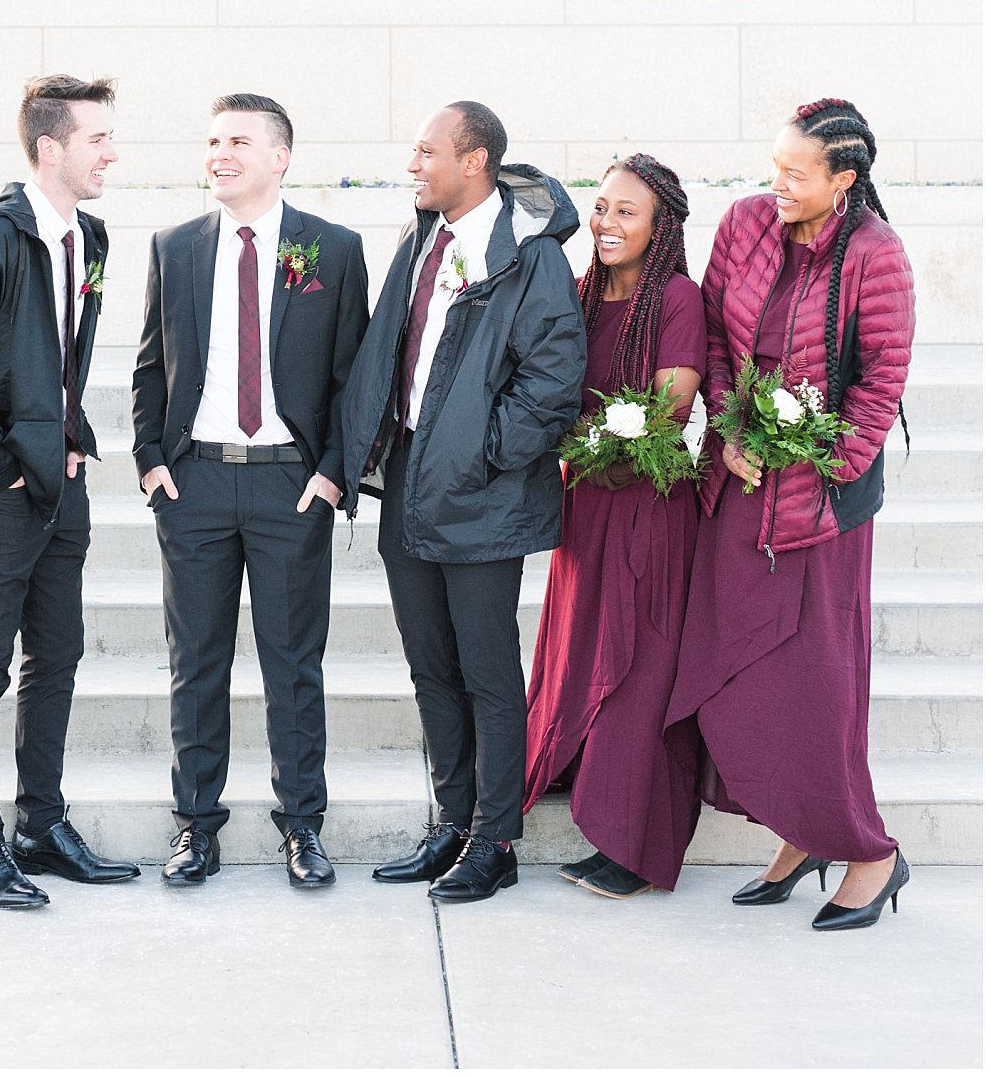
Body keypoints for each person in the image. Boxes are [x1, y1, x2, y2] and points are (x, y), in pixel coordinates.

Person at [665, 98, 916, 931]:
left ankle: (868, 852)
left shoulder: (875, 257)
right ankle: (799, 834)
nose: (775, 184)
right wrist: (731, 434)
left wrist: (816, 462)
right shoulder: (744, 224)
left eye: (794, 174)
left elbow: (879, 386)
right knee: (739, 673)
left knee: (816, 684)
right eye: (772, 166)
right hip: (737, 488)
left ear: (842, 180)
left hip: (821, 510)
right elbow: (710, 335)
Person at [341, 102, 585, 903]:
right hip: (407, 478)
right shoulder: (422, 237)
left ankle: (495, 839)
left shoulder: (528, 258)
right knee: (430, 668)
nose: (413, 166)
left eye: (425, 152)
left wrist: (481, 456)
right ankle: (450, 824)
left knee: (484, 671)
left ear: (473, 159)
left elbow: (551, 384)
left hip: (481, 490)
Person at [132, 93, 370, 887]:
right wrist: (150, 461)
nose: (218, 153)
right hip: (193, 482)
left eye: (237, 140)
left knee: (291, 665)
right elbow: (148, 364)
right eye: (210, 141)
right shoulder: (176, 246)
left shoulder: (331, 250)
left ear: (280, 156)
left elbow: (351, 376)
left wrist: (333, 474)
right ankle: (194, 826)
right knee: (194, 663)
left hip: (287, 488)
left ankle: (302, 826)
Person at [0, 75, 141, 909]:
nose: (110, 154)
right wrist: (0, 464)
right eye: (97, 140)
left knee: (58, 654)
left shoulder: (91, 237)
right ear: (50, 149)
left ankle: (40, 825)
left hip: (59, 478)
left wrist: (69, 438)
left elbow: (57, 361)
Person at [524, 155, 706, 899]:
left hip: (649, 508)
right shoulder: (576, 296)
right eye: (600, 207)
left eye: (626, 212)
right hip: (583, 505)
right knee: (580, 650)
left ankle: (633, 844)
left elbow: (668, 408)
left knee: (639, 667)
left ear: (659, 227)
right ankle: (572, 764)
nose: (605, 223)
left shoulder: (677, 300)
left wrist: (587, 441)